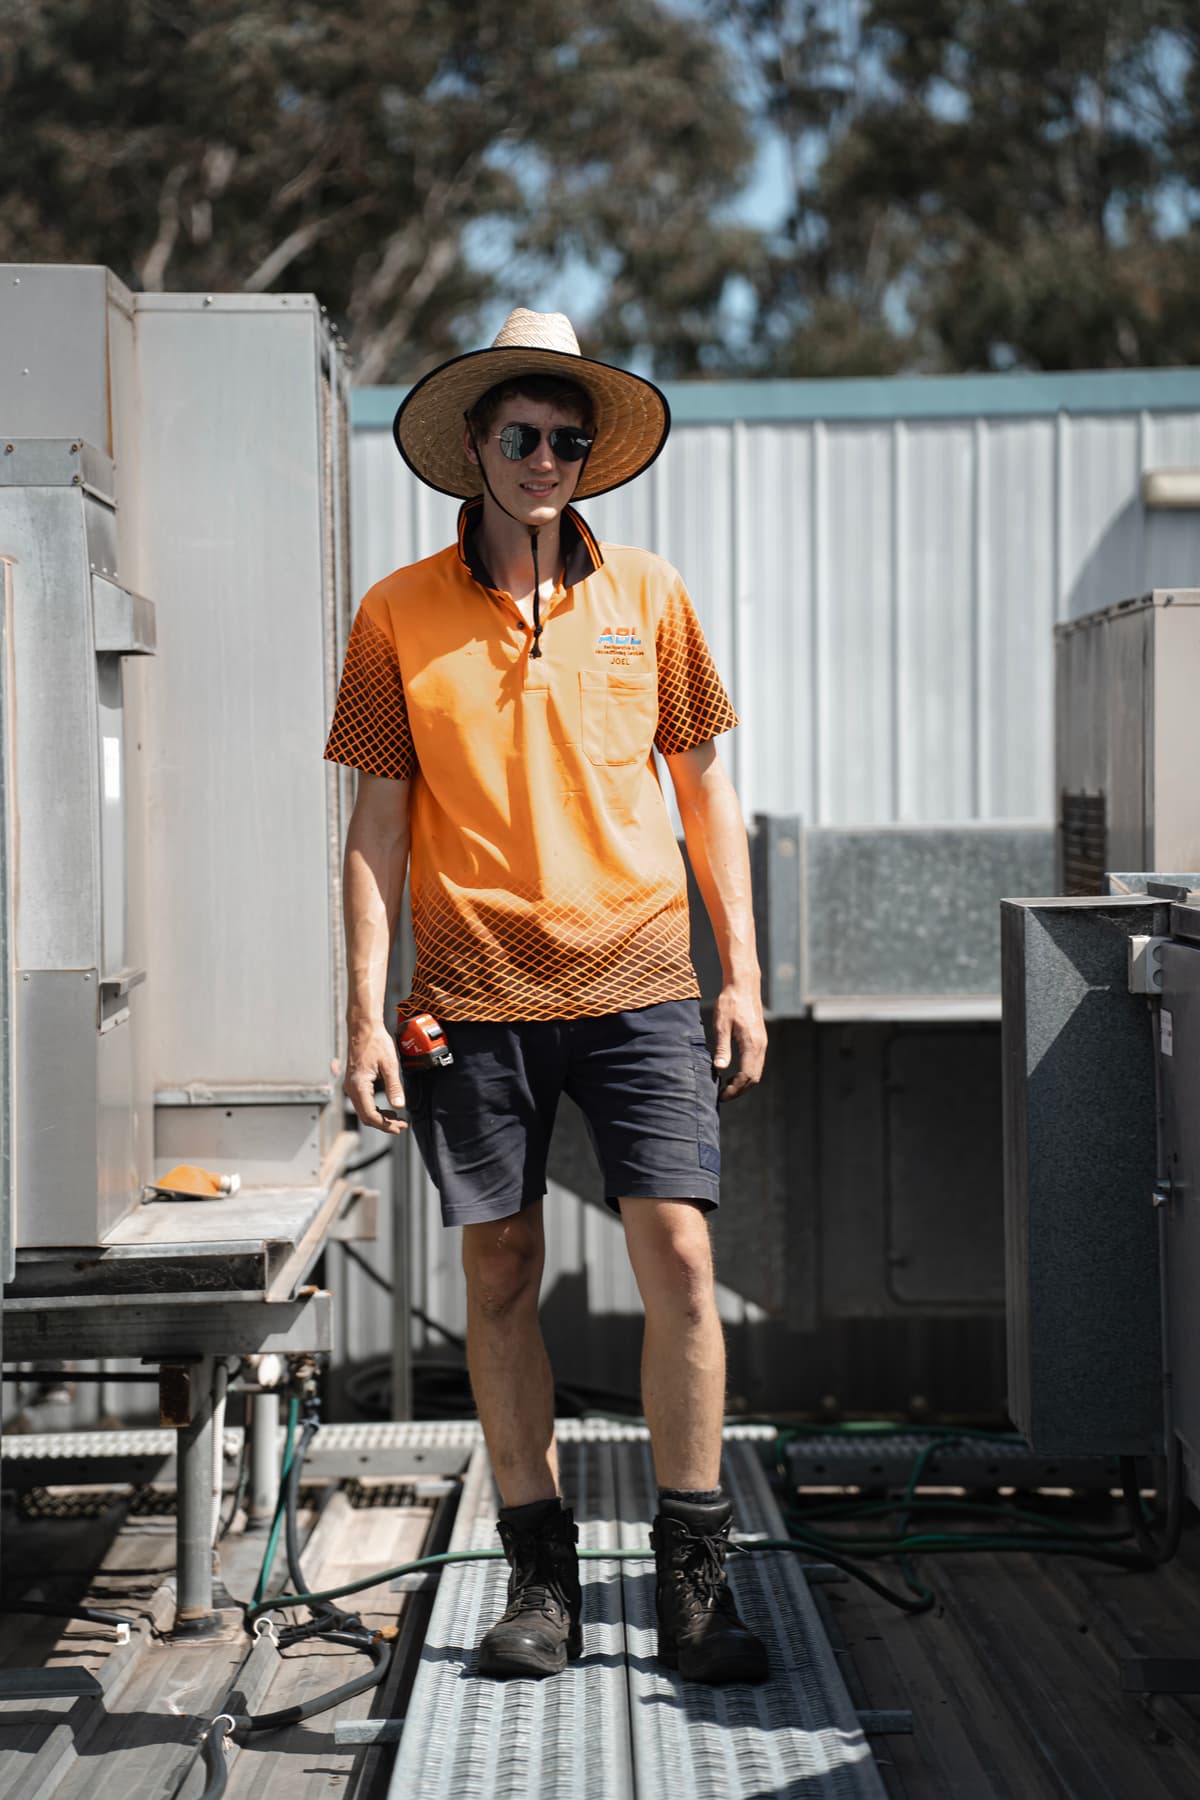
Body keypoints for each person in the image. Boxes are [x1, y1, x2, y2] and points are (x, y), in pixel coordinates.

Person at [325, 309, 769, 1685]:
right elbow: (376, 829)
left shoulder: (651, 595)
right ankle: (540, 1584)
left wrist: (742, 973)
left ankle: (695, 1585)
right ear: (472, 447)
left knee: (682, 1265)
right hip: (473, 993)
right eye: (521, 435)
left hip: (642, 982)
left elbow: (707, 796)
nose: (545, 458)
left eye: (569, 440)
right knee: (501, 1272)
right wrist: (359, 1013)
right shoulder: (397, 612)